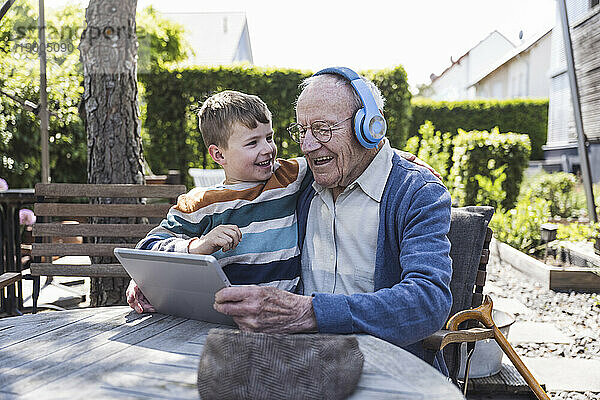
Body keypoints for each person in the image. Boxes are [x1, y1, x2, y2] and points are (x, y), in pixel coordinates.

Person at [213, 67, 453, 373]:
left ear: (370, 127)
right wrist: (163, 277)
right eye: (302, 130)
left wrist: (313, 312)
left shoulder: (415, 192)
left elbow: (428, 300)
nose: (308, 145)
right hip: (303, 365)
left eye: (323, 129)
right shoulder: (296, 184)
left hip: (386, 370)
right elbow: (219, 204)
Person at [127, 90, 313, 313]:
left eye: (269, 137)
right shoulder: (200, 203)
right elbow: (147, 249)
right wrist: (197, 246)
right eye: (252, 143)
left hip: (285, 315)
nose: (268, 149)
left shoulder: (288, 176)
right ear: (219, 155)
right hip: (225, 318)